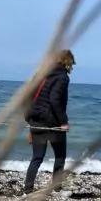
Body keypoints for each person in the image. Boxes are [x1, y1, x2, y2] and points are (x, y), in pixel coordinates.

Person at [23, 49, 75, 193]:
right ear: (68, 62)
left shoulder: (40, 75)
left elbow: (29, 98)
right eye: (72, 63)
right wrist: (63, 122)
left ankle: (28, 189)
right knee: (60, 156)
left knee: (37, 157)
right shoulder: (62, 77)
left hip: (36, 120)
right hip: (52, 123)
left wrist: (29, 121)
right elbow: (55, 100)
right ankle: (56, 187)